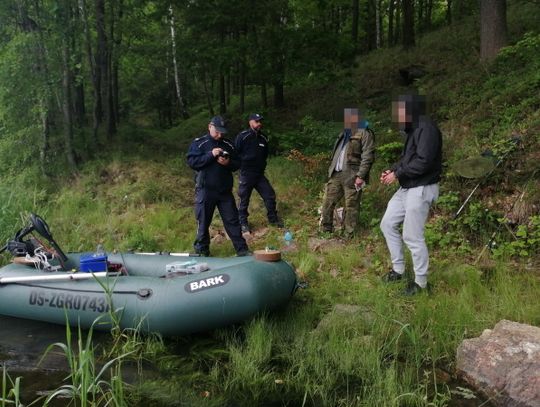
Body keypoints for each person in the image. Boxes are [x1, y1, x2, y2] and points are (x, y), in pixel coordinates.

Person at [380, 94, 442, 296]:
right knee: (387, 223)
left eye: (400, 111)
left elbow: (424, 161)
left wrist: (398, 174)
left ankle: (421, 283)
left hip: (422, 187)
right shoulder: (414, 130)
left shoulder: (427, 128)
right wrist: (393, 170)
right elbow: (407, 160)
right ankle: (398, 270)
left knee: (412, 236)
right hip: (408, 187)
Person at [187, 116, 250, 257]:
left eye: (222, 132)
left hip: (224, 191)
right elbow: (192, 162)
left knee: (233, 221)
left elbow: (238, 163)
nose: (220, 135)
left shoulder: (229, 144)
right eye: (217, 131)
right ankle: (202, 252)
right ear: (210, 126)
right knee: (203, 222)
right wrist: (211, 154)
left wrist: (228, 163)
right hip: (205, 189)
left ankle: (242, 251)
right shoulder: (199, 143)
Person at [320, 108, 375, 238]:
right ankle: (326, 231)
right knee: (327, 202)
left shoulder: (365, 133)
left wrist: (361, 176)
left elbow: (368, 156)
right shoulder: (343, 134)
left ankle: (348, 235)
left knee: (351, 206)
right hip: (336, 174)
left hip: (353, 175)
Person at [235, 113, 282, 233]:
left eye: (260, 121)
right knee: (244, 199)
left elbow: (265, 154)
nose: (259, 123)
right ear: (250, 122)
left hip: (259, 174)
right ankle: (243, 223)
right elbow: (235, 153)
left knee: (270, 195)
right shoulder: (242, 136)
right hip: (246, 173)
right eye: (256, 121)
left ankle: (273, 220)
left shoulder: (264, 138)